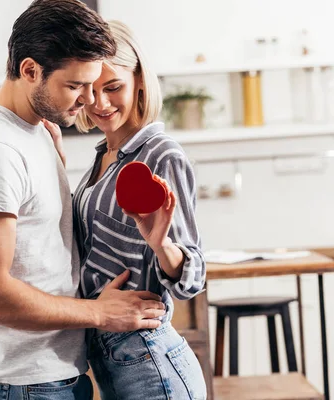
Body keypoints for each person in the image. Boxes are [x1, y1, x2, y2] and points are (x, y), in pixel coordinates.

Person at [0, 2, 168, 399]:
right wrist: (99, 313)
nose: (89, 101)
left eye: (95, 84)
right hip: (23, 384)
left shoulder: (36, 132)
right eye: (75, 86)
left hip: (52, 376)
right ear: (30, 71)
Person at [48, 20, 208, 399]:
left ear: (139, 80)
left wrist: (162, 245)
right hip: (110, 355)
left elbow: (193, 277)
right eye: (90, 90)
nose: (100, 104)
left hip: (148, 359)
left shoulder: (160, 154)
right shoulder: (102, 159)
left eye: (113, 87)